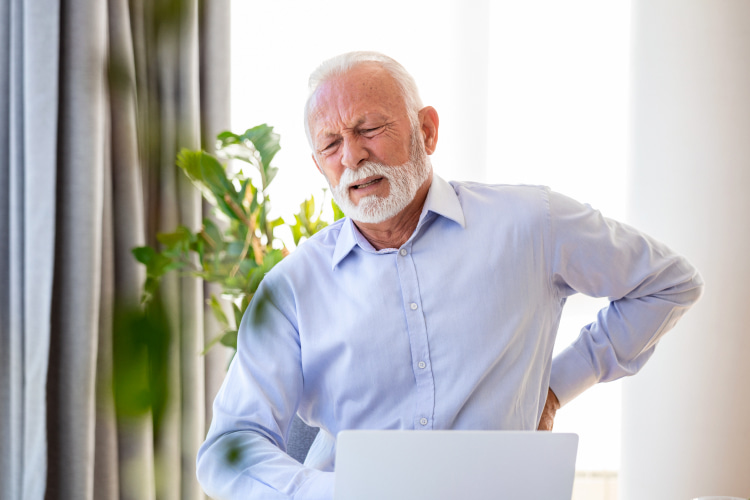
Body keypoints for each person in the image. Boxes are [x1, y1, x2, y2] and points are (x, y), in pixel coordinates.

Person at [196, 51, 704, 500]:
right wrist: (339, 493)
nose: (352, 156)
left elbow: (667, 284)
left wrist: (555, 388)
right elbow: (227, 449)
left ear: (427, 131)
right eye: (331, 144)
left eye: (369, 128)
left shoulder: (531, 224)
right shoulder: (291, 288)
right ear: (319, 165)